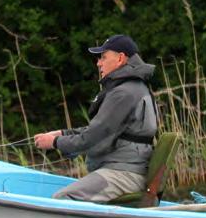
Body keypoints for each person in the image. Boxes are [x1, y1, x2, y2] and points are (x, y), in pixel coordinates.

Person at [33, 34, 158, 203]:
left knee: (63, 197)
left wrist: (54, 143)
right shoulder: (131, 88)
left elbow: (91, 137)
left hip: (124, 174)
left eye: (104, 57)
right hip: (124, 169)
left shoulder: (123, 93)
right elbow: (100, 130)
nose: (98, 63)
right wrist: (62, 133)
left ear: (120, 58)